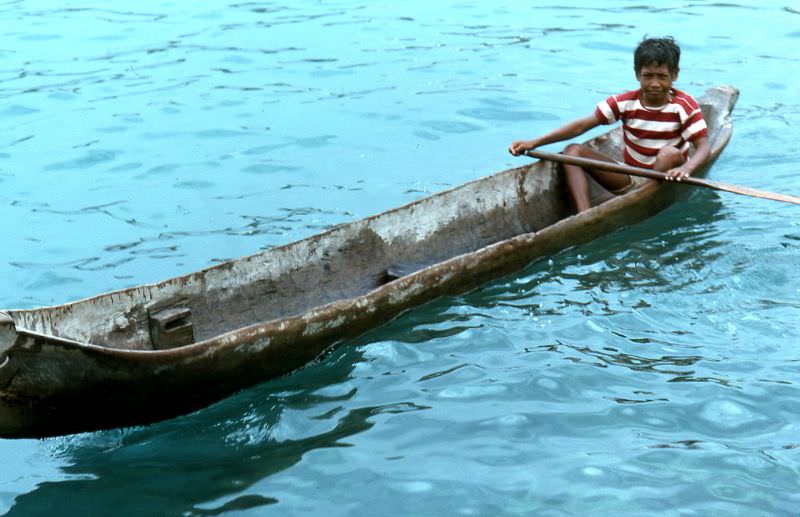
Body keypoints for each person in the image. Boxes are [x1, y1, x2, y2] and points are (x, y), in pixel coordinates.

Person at [508, 36, 710, 213]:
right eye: (648, 76)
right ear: (637, 74)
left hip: (667, 174)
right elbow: (580, 126)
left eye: (662, 77)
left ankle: (645, 197)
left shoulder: (683, 105)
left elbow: (703, 147)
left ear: (674, 75)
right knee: (572, 150)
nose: (654, 84)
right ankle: (584, 216)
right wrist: (534, 143)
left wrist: (688, 168)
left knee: (668, 154)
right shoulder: (624, 103)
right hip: (631, 175)